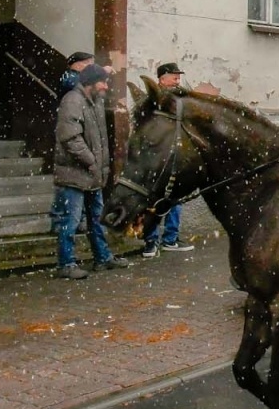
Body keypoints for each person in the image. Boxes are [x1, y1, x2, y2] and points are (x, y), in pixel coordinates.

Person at [51, 64, 128, 279]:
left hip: (91, 173)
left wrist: (97, 167)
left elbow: (98, 139)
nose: (105, 85)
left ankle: (102, 258)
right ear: (90, 82)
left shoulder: (95, 101)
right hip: (74, 174)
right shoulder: (72, 101)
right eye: (102, 81)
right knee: (71, 221)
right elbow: (70, 137)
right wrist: (91, 160)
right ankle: (65, 264)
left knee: (96, 218)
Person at [138, 62, 197, 259]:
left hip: (174, 157)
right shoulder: (152, 100)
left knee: (174, 200)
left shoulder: (178, 100)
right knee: (153, 200)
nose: (177, 80)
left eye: (178, 77)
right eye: (174, 76)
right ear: (162, 79)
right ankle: (150, 242)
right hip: (155, 158)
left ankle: (170, 239)